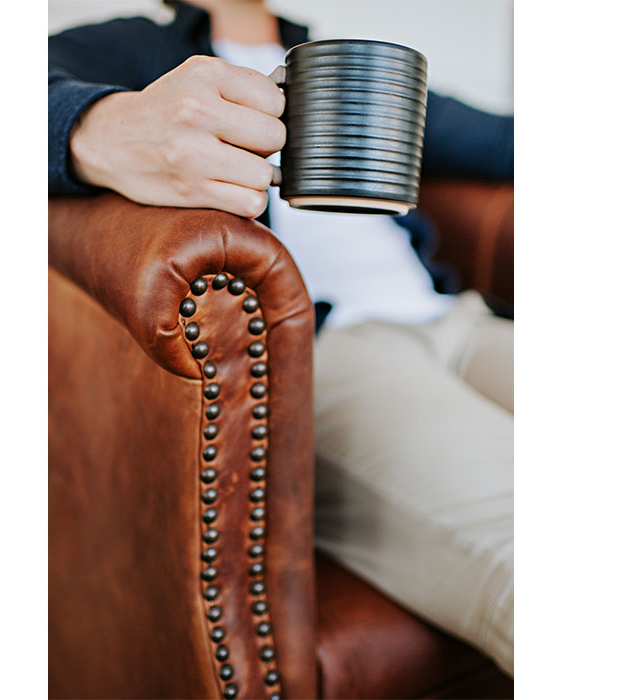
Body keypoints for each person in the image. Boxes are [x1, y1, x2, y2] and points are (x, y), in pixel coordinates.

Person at [50, 0, 515, 675]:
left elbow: (500, 139)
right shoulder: (133, 50)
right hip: (330, 353)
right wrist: (99, 128)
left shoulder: (342, 63)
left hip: (458, 321)